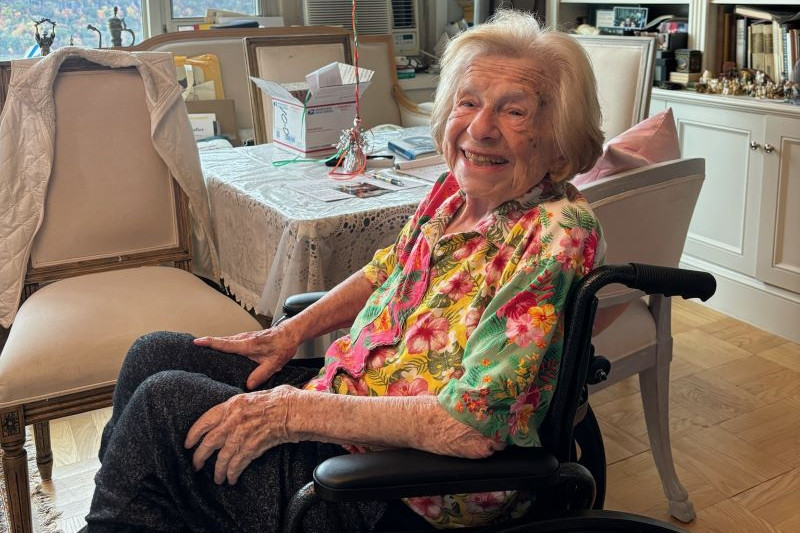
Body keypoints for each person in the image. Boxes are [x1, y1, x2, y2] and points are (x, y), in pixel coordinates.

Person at [83, 9, 605, 532]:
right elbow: (387, 270)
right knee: (153, 354)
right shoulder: (454, 192)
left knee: (164, 406)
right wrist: (288, 334)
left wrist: (289, 413)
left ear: (559, 137)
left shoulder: (556, 233)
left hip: (405, 486)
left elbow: (471, 426)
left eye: (514, 112)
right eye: (468, 103)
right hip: (348, 407)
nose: (480, 128)